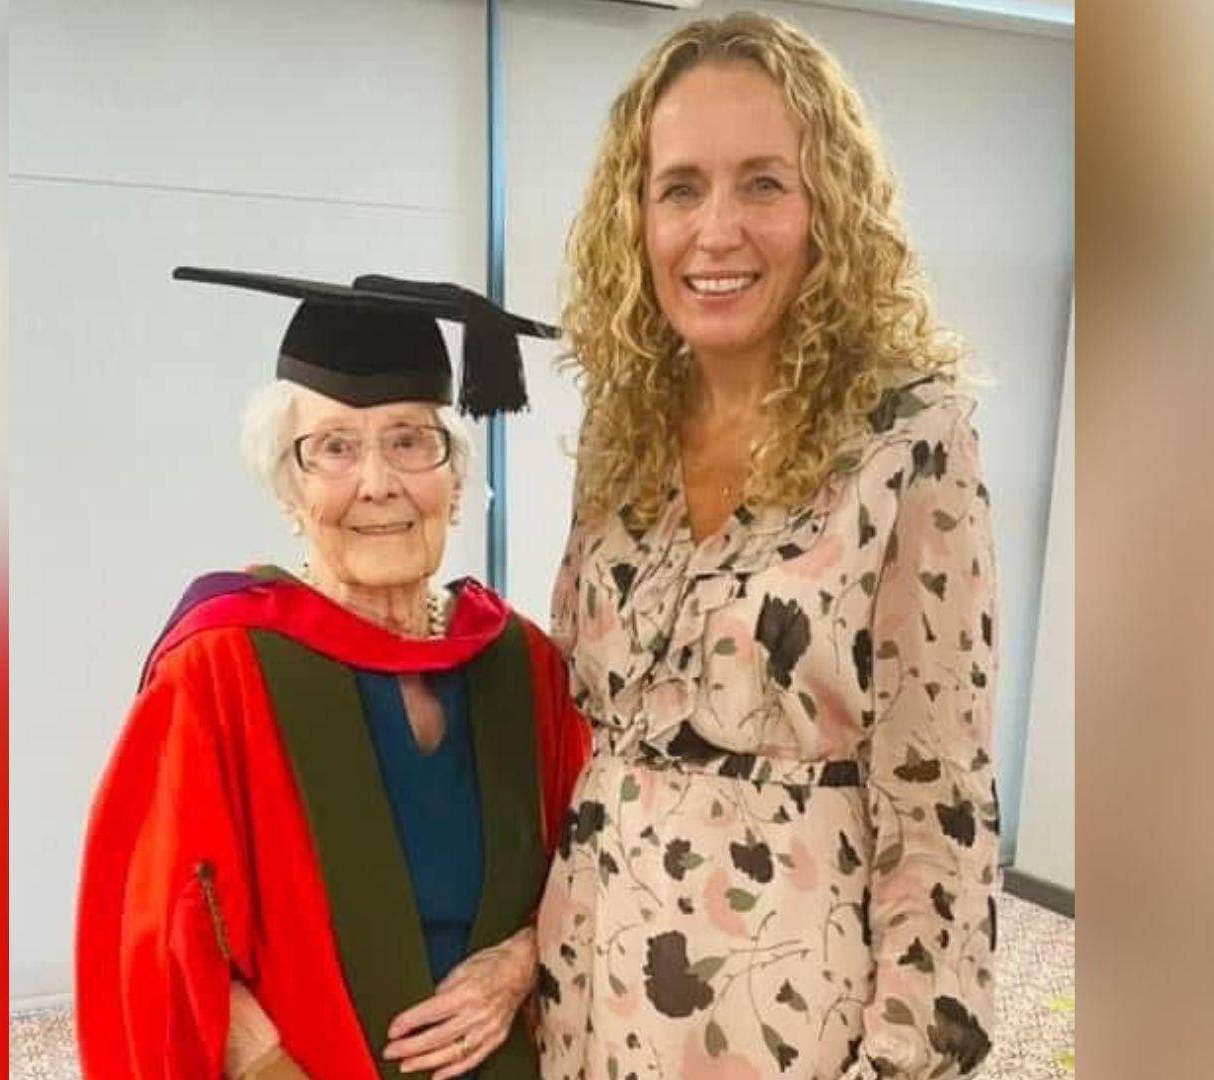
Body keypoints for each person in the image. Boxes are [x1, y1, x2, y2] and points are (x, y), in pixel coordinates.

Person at [536, 13, 1000, 1079]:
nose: (716, 231)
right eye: (681, 187)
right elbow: (594, 730)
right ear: (635, 213)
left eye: (763, 184)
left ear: (828, 208)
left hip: (785, 1013)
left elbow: (941, 797)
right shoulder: (624, 422)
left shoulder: (906, 436)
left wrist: (904, 1058)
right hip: (592, 985)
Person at [76, 269, 590, 1080]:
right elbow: (155, 925)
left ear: (455, 483)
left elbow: (597, 862)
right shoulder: (219, 670)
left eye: (410, 441)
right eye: (335, 449)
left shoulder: (522, 664)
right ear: (291, 487)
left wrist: (524, 959)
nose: (378, 482)